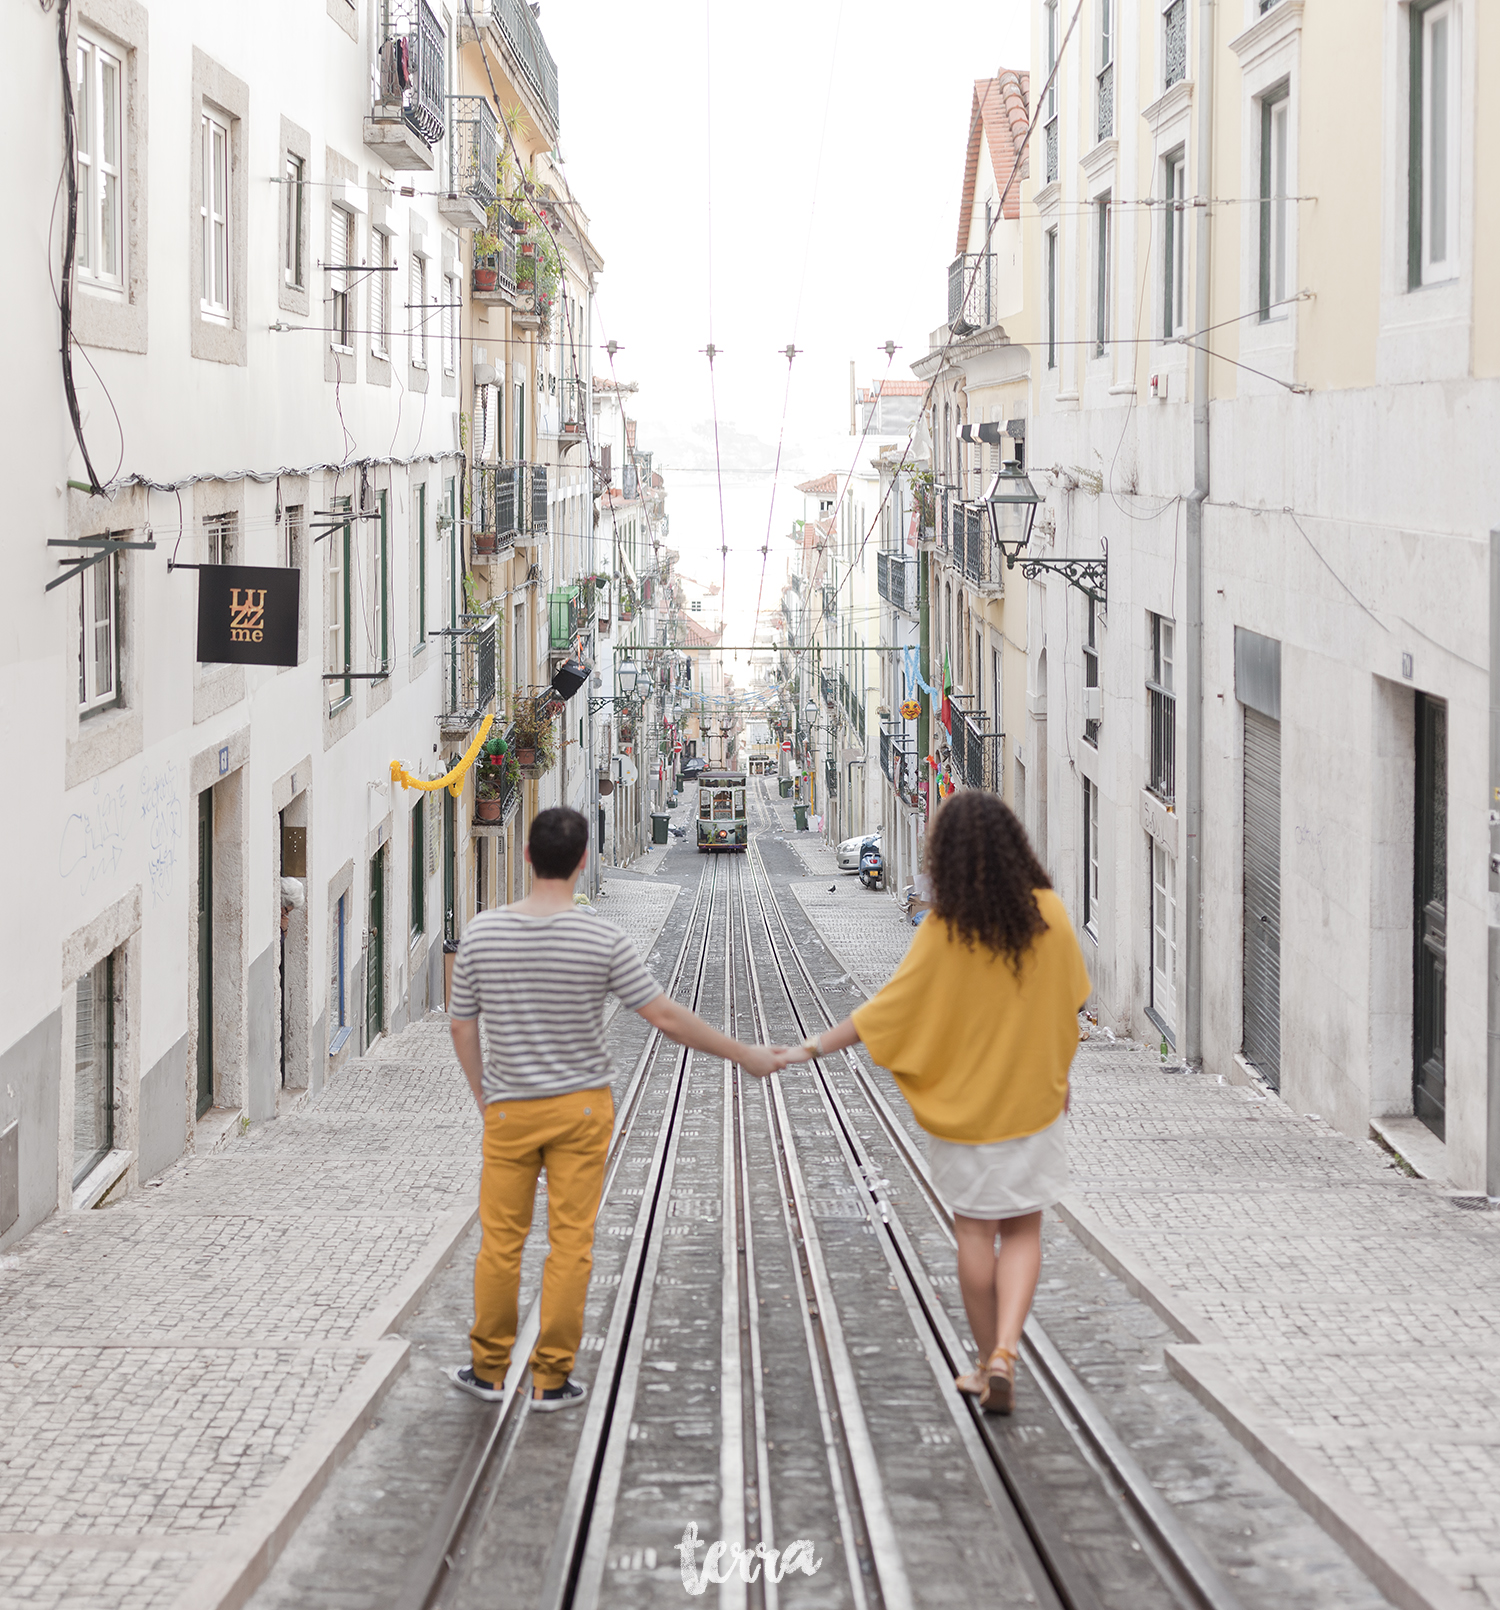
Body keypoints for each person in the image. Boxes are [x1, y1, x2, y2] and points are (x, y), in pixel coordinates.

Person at [446, 806, 791, 1411]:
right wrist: (743, 1054)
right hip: (581, 1111)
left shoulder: (482, 933)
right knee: (571, 1243)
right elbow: (664, 1017)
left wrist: (485, 1095)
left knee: (501, 1243)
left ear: (527, 857)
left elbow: (461, 1027)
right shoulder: (603, 938)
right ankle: (552, 1379)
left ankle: (489, 1370)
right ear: (582, 861)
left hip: (509, 1112)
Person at [784, 791, 1089, 1414]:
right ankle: (1007, 1350)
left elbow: (887, 1010)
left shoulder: (945, 929)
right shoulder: (1051, 915)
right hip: (1033, 1103)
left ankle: (984, 1362)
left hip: (965, 1113)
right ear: (1014, 846)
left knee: (974, 1233)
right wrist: (1060, 1074)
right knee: (1025, 1227)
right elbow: (1070, 1001)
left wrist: (809, 1048)